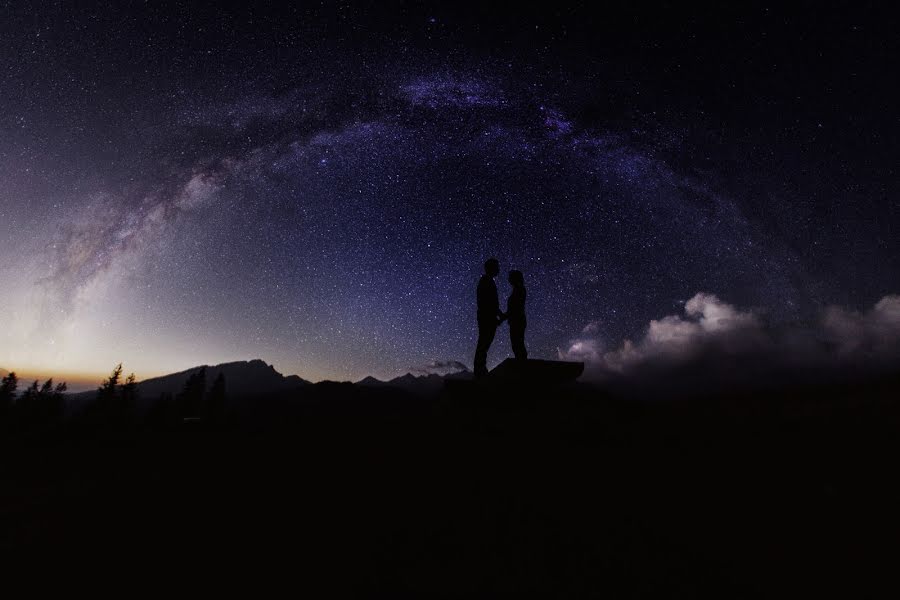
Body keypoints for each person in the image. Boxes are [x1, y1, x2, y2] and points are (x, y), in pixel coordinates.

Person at [474, 258, 503, 377]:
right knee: (484, 343)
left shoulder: (487, 281)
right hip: (486, 318)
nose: (498, 269)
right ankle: (479, 370)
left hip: (486, 317)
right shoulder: (486, 281)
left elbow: (491, 303)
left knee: (484, 343)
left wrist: (499, 315)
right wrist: (495, 316)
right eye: (496, 267)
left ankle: (480, 368)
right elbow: (487, 302)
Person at [506, 270, 527, 360]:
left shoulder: (519, 289)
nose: (508, 280)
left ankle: (522, 366)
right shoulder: (518, 289)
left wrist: (502, 317)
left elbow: (515, 308)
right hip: (517, 320)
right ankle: (521, 364)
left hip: (517, 320)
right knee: (517, 344)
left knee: (517, 344)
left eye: (510, 278)